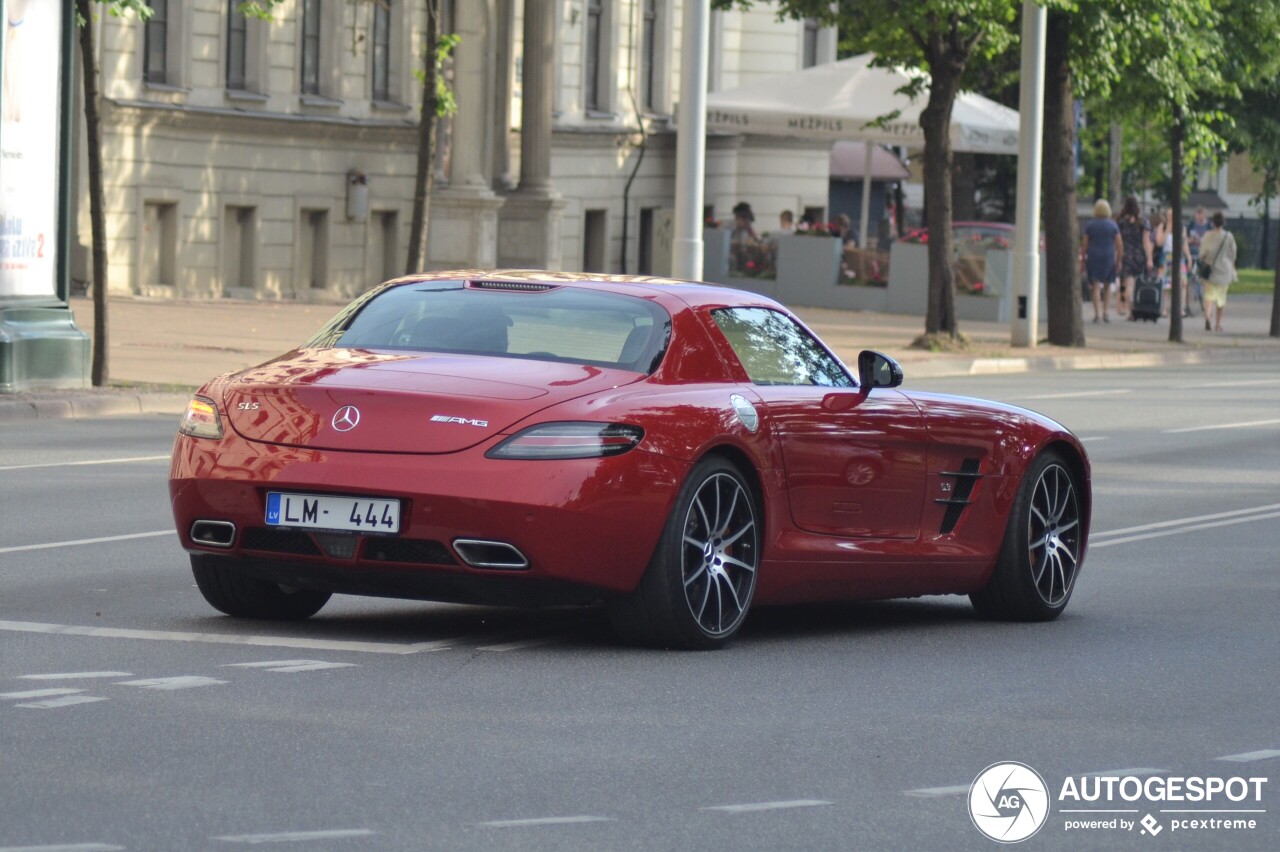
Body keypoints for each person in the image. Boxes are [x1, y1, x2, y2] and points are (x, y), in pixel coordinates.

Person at [1081, 199, 1122, 322]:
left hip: (1094, 256)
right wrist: (1119, 260)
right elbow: (1119, 244)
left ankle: (1097, 313)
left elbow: (1085, 244)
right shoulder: (1113, 225)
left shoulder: (1090, 225)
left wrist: (1083, 259)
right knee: (1108, 285)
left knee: (1095, 285)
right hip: (1108, 256)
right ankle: (1105, 312)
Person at [1198, 211, 1237, 332]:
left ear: (1213, 222)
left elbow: (1202, 253)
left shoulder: (1207, 235)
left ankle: (1207, 317)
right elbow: (1233, 253)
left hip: (1211, 269)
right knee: (1221, 297)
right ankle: (1218, 324)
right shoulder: (1228, 236)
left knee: (1208, 296)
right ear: (1223, 222)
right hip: (1224, 270)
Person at [1115, 196, 1153, 320]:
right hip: (1139, 255)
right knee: (1136, 284)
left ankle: (1128, 308)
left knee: (1127, 283)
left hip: (1125, 255)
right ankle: (1132, 309)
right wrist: (1149, 258)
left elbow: (1118, 241)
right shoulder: (1143, 221)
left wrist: (1117, 256)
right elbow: (1146, 241)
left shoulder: (1120, 221)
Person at [1158, 207, 1192, 317]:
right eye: (1169, 215)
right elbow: (1159, 242)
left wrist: (1189, 256)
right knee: (1166, 284)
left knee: (1183, 283)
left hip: (1179, 257)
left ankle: (1181, 308)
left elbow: (1184, 243)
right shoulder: (1162, 227)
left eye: (1172, 215)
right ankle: (1165, 308)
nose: (1171, 217)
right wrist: (1167, 229)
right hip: (1167, 257)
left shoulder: (1181, 228)